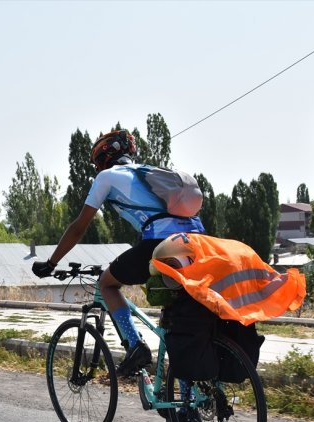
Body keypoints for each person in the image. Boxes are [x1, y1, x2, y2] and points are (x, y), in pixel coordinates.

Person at [32, 129, 205, 376]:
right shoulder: (148, 173)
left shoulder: (107, 177)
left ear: (102, 159)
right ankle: (186, 403)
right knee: (176, 319)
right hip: (196, 242)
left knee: (107, 284)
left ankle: (135, 346)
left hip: (161, 243)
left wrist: (51, 263)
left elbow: (79, 227)